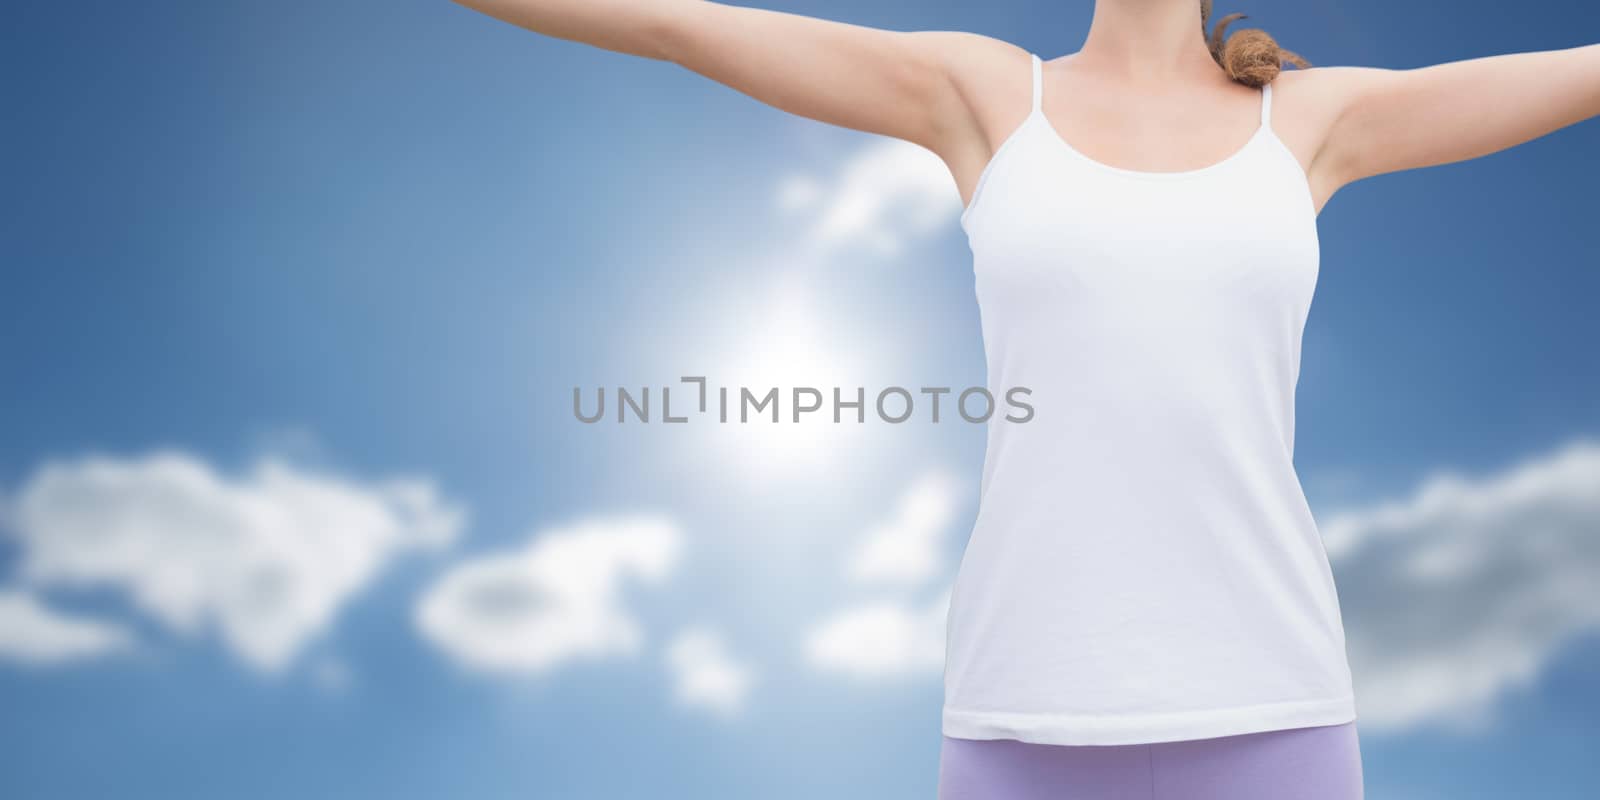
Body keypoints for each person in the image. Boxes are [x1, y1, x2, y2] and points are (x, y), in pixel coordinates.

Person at [446, 1, 1600, 797]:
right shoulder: (986, 94)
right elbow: (678, 22)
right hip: (1022, 724)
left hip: (1275, 712)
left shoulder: (1311, 119)